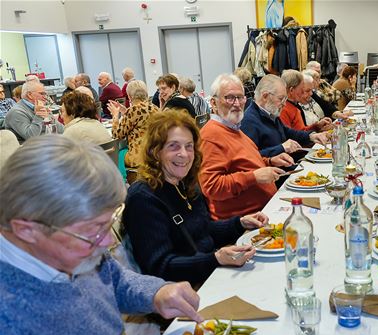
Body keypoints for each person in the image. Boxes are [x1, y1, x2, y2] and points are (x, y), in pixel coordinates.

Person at [0, 135, 212, 335]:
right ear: (27, 230)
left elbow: (114, 277)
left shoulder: (74, 252)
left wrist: (156, 293)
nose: (108, 242)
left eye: (107, 225)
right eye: (92, 231)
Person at [123, 110, 267, 286]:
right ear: (155, 151)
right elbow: (160, 267)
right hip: (184, 293)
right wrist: (215, 260)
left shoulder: (186, 184)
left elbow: (203, 229)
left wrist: (240, 223)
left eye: (189, 146)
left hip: (207, 274)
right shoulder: (144, 198)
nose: (184, 154)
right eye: (173, 146)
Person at [199, 74, 293, 220]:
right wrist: (254, 177)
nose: (237, 103)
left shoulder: (233, 127)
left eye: (240, 97)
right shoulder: (211, 135)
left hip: (265, 210)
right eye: (230, 98)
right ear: (213, 103)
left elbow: (242, 163)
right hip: (246, 222)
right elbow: (212, 187)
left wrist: (269, 161)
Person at [241, 74, 328, 157]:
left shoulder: (269, 112)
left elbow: (287, 132)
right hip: (274, 170)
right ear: (265, 96)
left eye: (285, 99)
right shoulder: (249, 121)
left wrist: (311, 136)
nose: (284, 104)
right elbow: (252, 156)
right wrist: (281, 148)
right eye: (280, 99)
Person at [108, 80, 159, 171]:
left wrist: (115, 116)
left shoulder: (133, 110)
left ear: (129, 96)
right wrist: (125, 111)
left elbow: (117, 135)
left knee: (118, 154)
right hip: (154, 154)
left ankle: (122, 181)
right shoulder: (154, 108)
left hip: (139, 157)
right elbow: (139, 119)